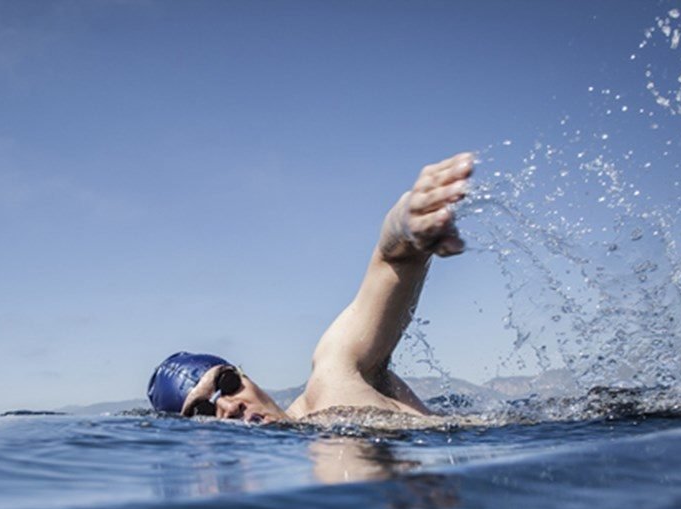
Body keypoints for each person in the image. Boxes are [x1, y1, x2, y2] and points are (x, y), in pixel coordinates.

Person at [147, 152, 475, 424]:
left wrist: (406, 224)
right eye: (203, 411)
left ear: (245, 376)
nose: (230, 407)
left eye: (228, 384)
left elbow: (393, 260)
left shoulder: (335, 379)